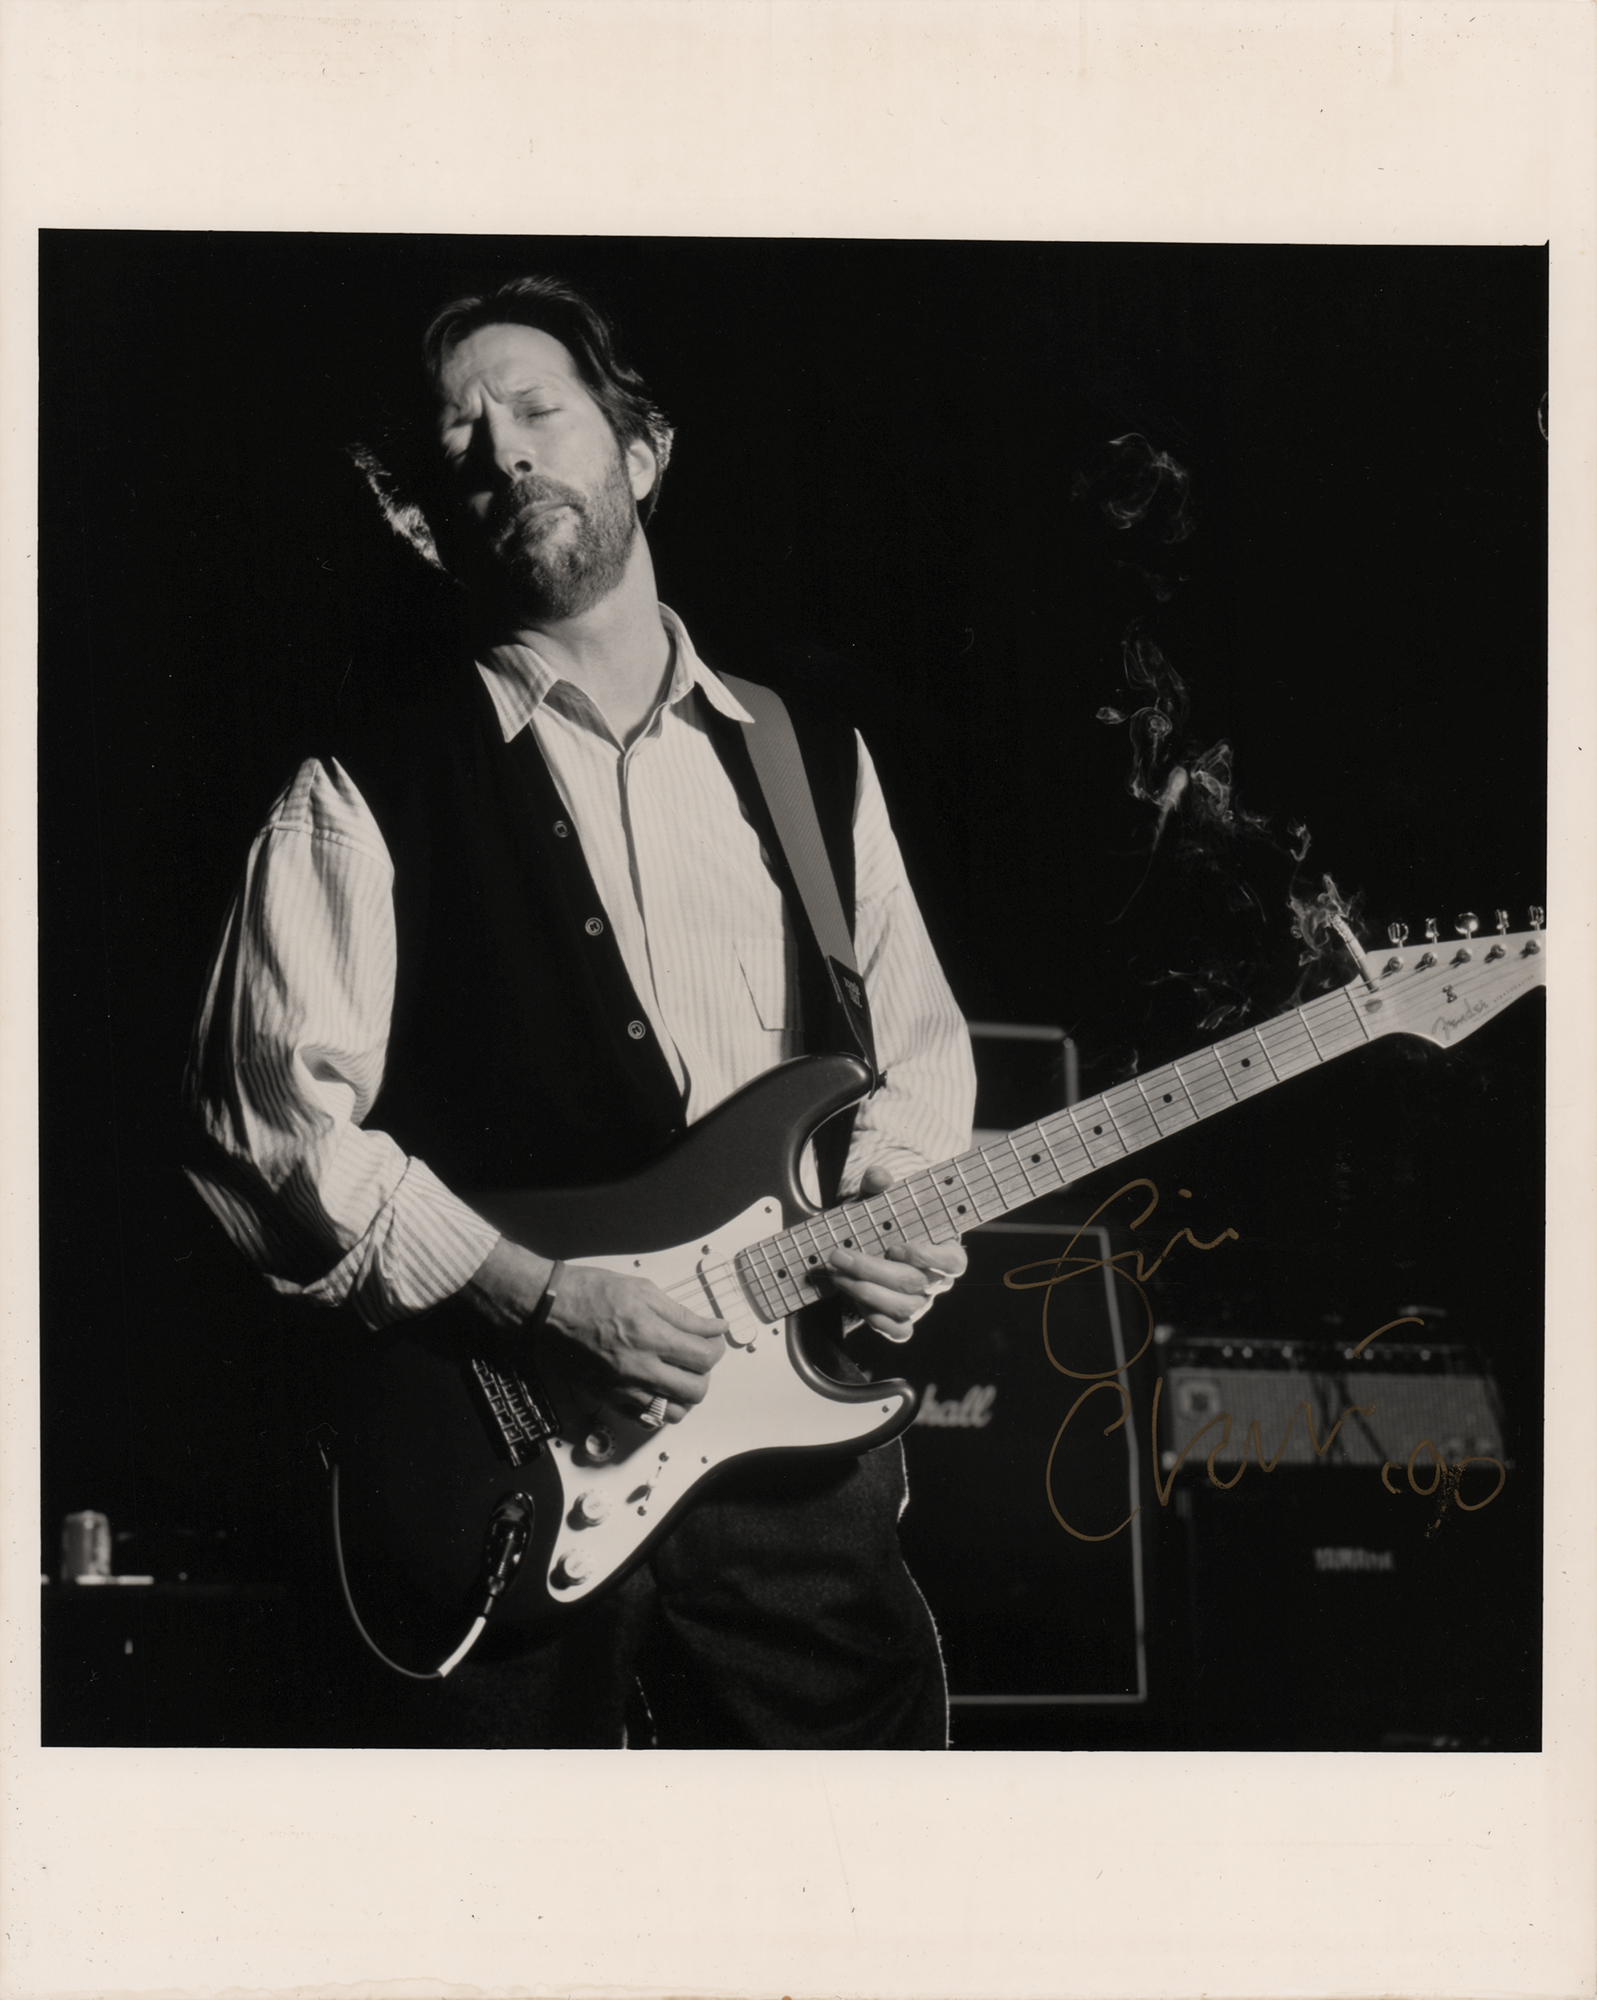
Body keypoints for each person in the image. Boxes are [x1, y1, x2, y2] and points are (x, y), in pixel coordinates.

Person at [184, 273, 976, 1749]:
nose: (503, 449)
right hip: (498, 1470)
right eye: (461, 441)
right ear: (427, 522)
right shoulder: (363, 782)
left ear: (644, 451)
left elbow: (912, 1065)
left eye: (539, 410)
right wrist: (536, 1300)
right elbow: (268, 1134)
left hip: (796, 1465)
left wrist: (894, 1210)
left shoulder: (810, 757)